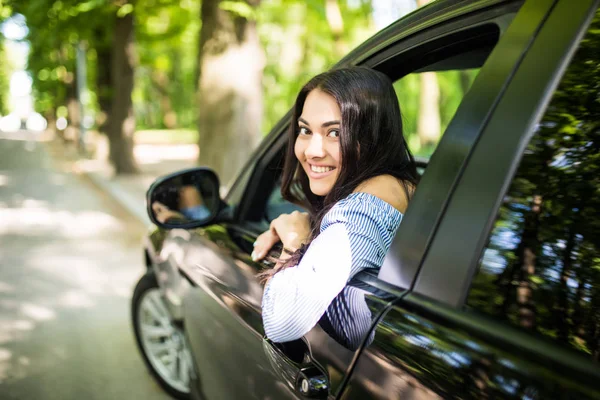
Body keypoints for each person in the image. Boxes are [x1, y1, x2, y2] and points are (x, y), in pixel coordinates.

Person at [252, 67, 420, 343]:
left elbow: (281, 322)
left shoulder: (364, 210)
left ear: (374, 136)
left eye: (335, 133)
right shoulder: (399, 185)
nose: (312, 151)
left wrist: (294, 241)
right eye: (305, 130)